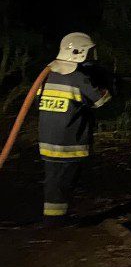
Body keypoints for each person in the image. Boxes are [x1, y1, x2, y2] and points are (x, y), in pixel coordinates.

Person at [36, 32, 113, 222]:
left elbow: (38, 100)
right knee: (64, 182)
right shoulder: (79, 78)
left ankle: (53, 217)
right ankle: (56, 221)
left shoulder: (47, 75)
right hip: (69, 143)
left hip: (47, 141)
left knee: (53, 181)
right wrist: (104, 82)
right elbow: (101, 101)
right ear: (80, 53)